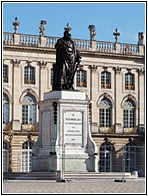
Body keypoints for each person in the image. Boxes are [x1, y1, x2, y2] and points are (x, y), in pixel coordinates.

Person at [52, 24, 81, 90]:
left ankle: (69, 85)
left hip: (71, 61)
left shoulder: (72, 43)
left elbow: (76, 51)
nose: (69, 36)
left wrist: (78, 56)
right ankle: (61, 85)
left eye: (70, 34)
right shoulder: (61, 41)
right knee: (62, 72)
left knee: (70, 74)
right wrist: (60, 46)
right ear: (65, 34)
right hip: (63, 60)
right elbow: (56, 46)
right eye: (68, 34)